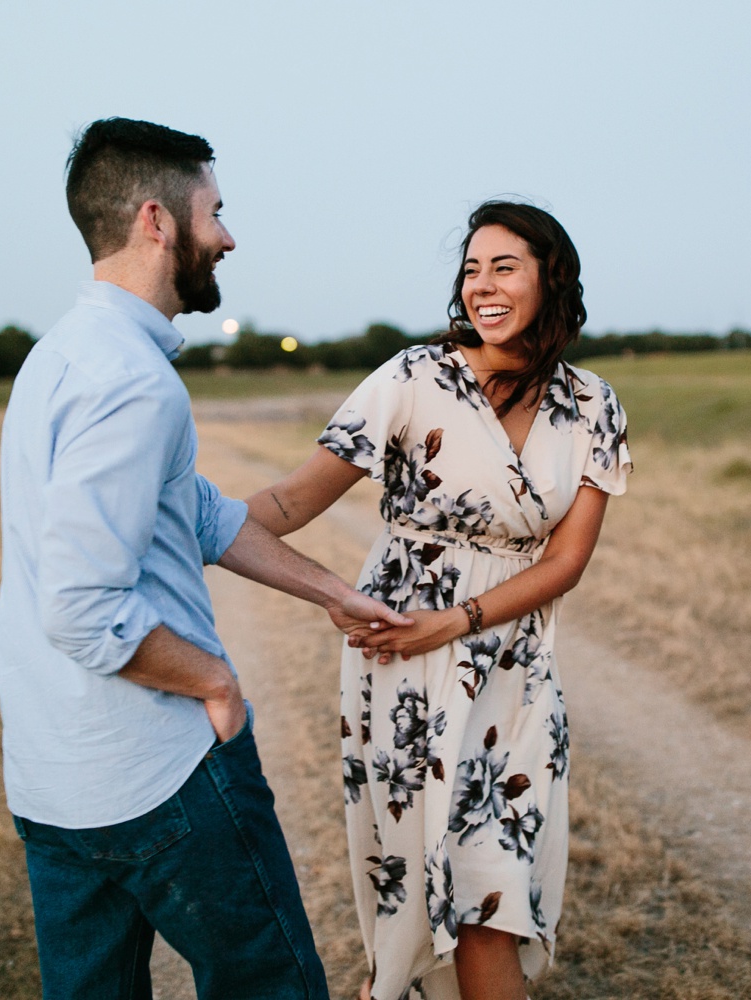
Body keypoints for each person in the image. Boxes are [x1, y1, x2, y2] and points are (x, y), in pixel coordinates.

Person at [0, 117, 411, 1000]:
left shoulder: (59, 357)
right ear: (157, 220)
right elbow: (79, 607)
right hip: (160, 772)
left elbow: (201, 516)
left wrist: (330, 590)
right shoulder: (132, 382)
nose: (226, 235)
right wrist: (215, 683)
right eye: (214, 212)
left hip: (52, 785)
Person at [245, 202, 631, 1000]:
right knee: (422, 888)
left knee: (492, 895)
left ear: (550, 278)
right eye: (471, 268)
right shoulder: (413, 378)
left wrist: (456, 623)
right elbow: (290, 502)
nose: (483, 285)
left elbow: (567, 560)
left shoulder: (594, 404)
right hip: (400, 671)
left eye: (505, 266)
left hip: (513, 669)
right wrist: (180, 523)